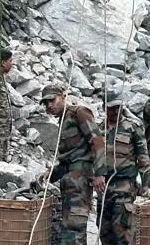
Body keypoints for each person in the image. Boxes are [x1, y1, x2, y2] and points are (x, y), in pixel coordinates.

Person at [40, 84, 98, 245]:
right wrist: (51, 174)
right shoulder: (63, 120)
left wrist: (100, 174)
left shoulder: (78, 113)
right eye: (45, 103)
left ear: (63, 96)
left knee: (75, 228)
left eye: (52, 100)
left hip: (80, 180)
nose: (49, 105)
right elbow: (68, 158)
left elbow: (98, 143)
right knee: (69, 227)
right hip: (70, 180)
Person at [94, 89, 149, 245]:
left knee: (122, 229)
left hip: (125, 185)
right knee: (104, 229)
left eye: (117, 107)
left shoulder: (133, 126)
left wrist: (145, 185)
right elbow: (94, 156)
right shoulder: (98, 129)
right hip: (104, 188)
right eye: (110, 108)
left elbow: (143, 156)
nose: (114, 111)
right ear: (104, 107)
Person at [0, 48, 15, 162]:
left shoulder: (1, 79)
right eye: (10, 61)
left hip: (2, 134)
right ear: (3, 62)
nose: (12, 64)